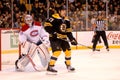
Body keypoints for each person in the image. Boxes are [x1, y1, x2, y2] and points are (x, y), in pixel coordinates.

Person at [44, 6, 77, 74]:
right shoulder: (54, 17)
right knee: (57, 51)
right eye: (63, 10)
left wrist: (72, 39)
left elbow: (68, 31)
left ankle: (68, 65)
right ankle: (50, 66)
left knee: (68, 51)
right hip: (55, 38)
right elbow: (46, 26)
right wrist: (53, 33)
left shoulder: (67, 20)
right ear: (59, 11)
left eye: (65, 10)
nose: (64, 12)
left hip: (63, 38)